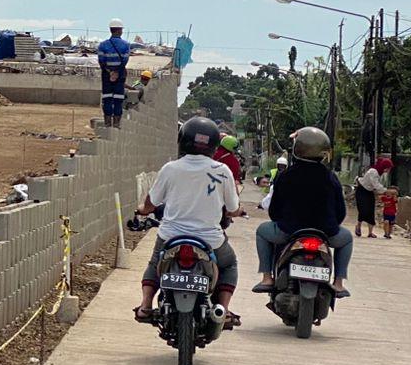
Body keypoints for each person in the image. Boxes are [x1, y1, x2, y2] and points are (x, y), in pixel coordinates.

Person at [134, 116, 243, 323]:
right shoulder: (222, 171)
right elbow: (232, 208)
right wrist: (237, 211)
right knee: (229, 265)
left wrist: (142, 210)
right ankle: (224, 309)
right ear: (214, 144)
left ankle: (146, 305)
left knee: (155, 262)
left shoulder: (170, 168)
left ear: (182, 140)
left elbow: (151, 202)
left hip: (171, 236)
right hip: (210, 240)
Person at [253, 127, 354, 297]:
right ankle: (338, 283)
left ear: (297, 149)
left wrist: (282, 221)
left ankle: (267, 277)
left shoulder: (285, 176)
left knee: (262, 231)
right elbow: (340, 212)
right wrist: (331, 225)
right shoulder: (331, 177)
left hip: (289, 231)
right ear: (324, 153)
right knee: (347, 238)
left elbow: (274, 211)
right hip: (325, 233)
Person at [97, 19, 131, 128]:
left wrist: (110, 72)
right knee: (118, 99)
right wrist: (116, 72)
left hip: (106, 76)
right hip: (120, 75)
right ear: (120, 30)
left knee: (107, 99)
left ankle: (107, 123)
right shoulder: (125, 45)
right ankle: (116, 124)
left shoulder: (102, 45)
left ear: (111, 30)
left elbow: (101, 61)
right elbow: (125, 61)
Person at [355, 156, 391, 238]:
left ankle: (370, 232)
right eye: (388, 168)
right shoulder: (373, 172)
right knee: (363, 209)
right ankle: (358, 226)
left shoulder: (380, 173)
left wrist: (383, 191)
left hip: (369, 192)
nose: (388, 170)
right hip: (362, 190)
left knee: (371, 211)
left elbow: (376, 186)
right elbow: (376, 184)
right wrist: (386, 191)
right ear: (384, 167)